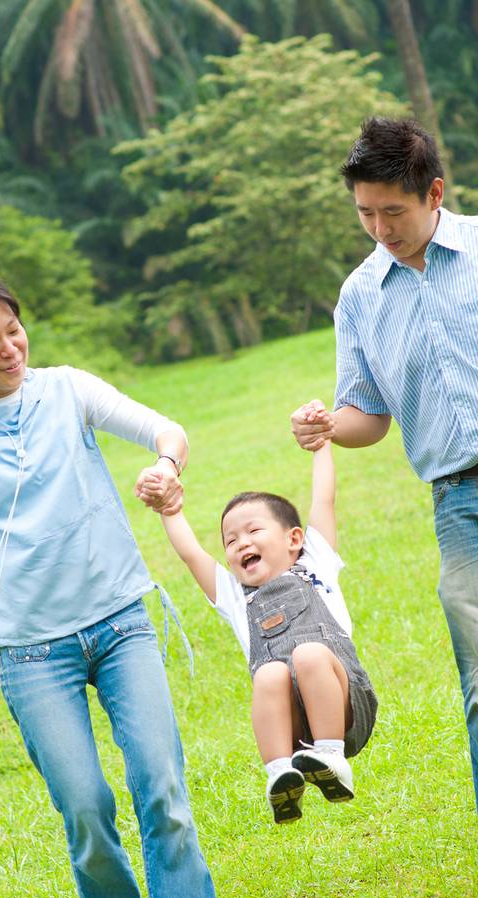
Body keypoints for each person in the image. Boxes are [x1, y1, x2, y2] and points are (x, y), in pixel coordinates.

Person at [0, 270, 235, 898]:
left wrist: (167, 467)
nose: (10, 350)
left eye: (15, 332)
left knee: (160, 784)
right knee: (83, 804)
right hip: (31, 653)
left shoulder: (69, 389)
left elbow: (165, 430)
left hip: (119, 622)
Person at [290, 115, 478, 812]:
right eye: (365, 213)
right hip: (459, 501)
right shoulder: (360, 297)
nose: (378, 228)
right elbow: (367, 416)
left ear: (433, 194)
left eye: (392, 212)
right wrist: (326, 425)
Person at [149, 436, 377, 822]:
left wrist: (321, 444)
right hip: (292, 727)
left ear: (294, 539)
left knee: (308, 654)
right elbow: (191, 553)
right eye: (231, 540)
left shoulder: (315, 564)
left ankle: (331, 758)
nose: (241, 544)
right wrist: (169, 510)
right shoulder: (236, 597)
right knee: (270, 673)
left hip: (345, 708)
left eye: (253, 531)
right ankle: (281, 776)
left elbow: (324, 499)